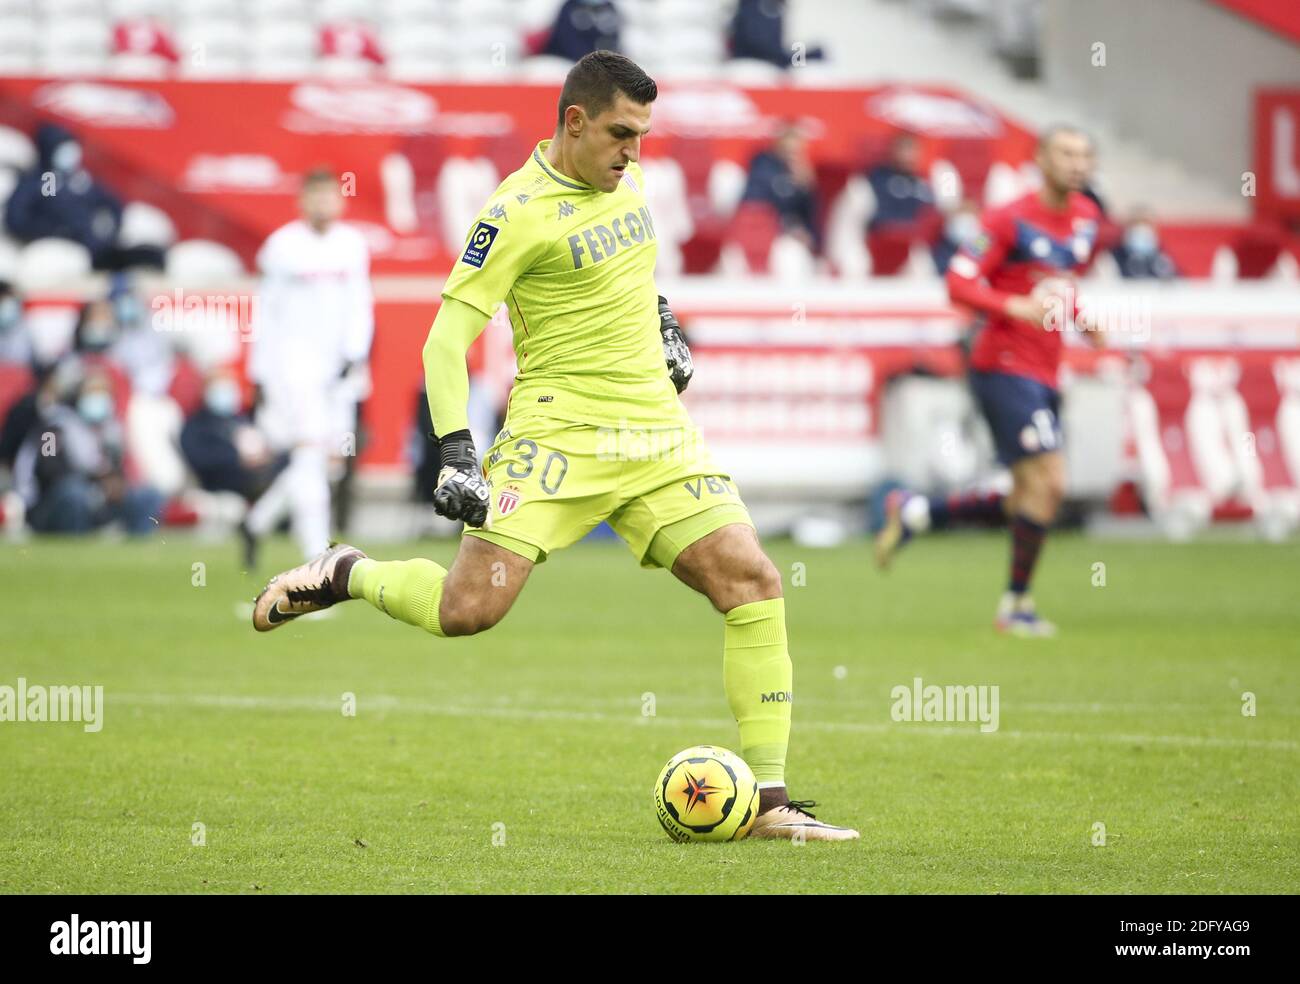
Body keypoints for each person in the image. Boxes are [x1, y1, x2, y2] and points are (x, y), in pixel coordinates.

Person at [251, 50, 857, 842]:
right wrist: (458, 452)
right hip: (557, 438)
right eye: (619, 134)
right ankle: (346, 570)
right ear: (574, 122)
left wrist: (665, 322)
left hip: (654, 431)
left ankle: (769, 801)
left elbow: (634, 274)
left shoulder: (626, 178)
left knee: (753, 581)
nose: (633, 153)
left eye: (641, 136)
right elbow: (444, 344)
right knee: (467, 611)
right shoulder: (515, 213)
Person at [875, 124, 1106, 637]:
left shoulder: (1087, 218)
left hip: (1047, 367)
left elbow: (1058, 282)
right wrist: (1012, 306)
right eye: (1065, 153)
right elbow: (957, 281)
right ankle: (1016, 606)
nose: (1076, 163)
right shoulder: (1007, 219)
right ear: (1040, 160)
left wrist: (1084, 318)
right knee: (1051, 481)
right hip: (1001, 364)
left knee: (1027, 494)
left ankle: (918, 512)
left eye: (1084, 155)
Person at [241, 167, 374, 567]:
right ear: (302, 200)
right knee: (311, 456)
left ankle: (256, 522)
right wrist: (260, 372)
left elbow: (360, 306)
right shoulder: (282, 247)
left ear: (340, 199)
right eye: (315, 196)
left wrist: (356, 354)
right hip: (294, 369)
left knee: (324, 464)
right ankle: (317, 565)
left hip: (341, 370)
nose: (323, 203)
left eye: (330, 195)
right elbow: (266, 312)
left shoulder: (352, 245)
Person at [12, 361, 162, 534]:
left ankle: (137, 550)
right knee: (74, 494)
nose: (98, 398)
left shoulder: (111, 429)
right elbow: (48, 471)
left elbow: (116, 467)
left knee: (147, 494)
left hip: (96, 497)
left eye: (103, 393)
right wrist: (95, 480)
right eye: (91, 392)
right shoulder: (52, 428)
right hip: (50, 503)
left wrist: (115, 484)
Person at [3, 124, 163, 271]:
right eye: (63, 149)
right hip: (55, 249)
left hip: (92, 246)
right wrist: (53, 230)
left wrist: (109, 229)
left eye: (73, 148)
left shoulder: (80, 179)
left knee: (145, 256)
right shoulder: (46, 179)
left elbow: (112, 203)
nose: (72, 154)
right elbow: (26, 214)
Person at [180, 368, 284, 501]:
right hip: (226, 480)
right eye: (219, 387)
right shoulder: (196, 426)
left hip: (260, 471)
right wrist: (238, 458)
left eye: (229, 386)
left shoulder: (241, 419)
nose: (225, 392)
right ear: (206, 391)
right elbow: (200, 459)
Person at [739, 123, 820, 250]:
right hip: (767, 236)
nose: (792, 157)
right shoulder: (763, 170)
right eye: (788, 151)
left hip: (794, 236)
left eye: (796, 153)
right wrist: (788, 227)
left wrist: (806, 189)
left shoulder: (803, 176)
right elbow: (756, 206)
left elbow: (811, 217)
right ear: (778, 147)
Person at [1111, 209, 1177, 280]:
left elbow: (1178, 283)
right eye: (1136, 224)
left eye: (1146, 223)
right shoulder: (1113, 258)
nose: (1142, 233)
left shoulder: (1162, 258)